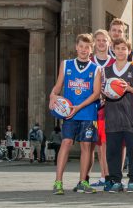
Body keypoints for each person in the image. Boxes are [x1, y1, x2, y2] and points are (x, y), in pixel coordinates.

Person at [49, 33, 102, 195]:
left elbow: (96, 93)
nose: (84, 50)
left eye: (87, 47)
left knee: (86, 146)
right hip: (69, 114)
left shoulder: (96, 68)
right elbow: (58, 86)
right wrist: (52, 95)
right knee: (66, 142)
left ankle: (83, 182)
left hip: (87, 112)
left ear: (91, 49)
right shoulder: (66, 64)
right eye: (81, 46)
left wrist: (78, 107)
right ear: (76, 47)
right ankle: (58, 182)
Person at [103, 36, 133, 193]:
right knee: (113, 150)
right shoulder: (106, 71)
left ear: (129, 51)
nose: (120, 51)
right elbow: (101, 93)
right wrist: (104, 94)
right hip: (113, 116)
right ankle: (115, 179)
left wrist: (129, 88)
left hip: (130, 116)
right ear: (112, 50)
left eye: (124, 48)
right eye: (118, 48)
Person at [90, 29, 115, 188]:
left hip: (111, 107)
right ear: (94, 43)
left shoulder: (114, 62)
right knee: (98, 143)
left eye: (104, 40)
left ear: (109, 43)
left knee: (111, 142)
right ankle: (103, 175)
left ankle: (111, 175)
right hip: (93, 107)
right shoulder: (89, 61)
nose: (101, 43)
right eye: (98, 40)